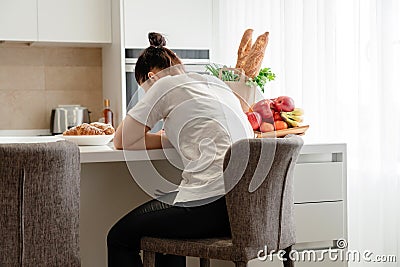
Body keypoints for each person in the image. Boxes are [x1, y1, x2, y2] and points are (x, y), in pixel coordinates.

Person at [107, 32, 254, 267]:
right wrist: (168, 138)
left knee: (119, 237)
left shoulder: (163, 83)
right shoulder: (217, 86)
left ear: (151, 77)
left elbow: (121, 140)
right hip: (246, 207)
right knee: (167, 229)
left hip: (211, 205)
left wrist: (160, 135)